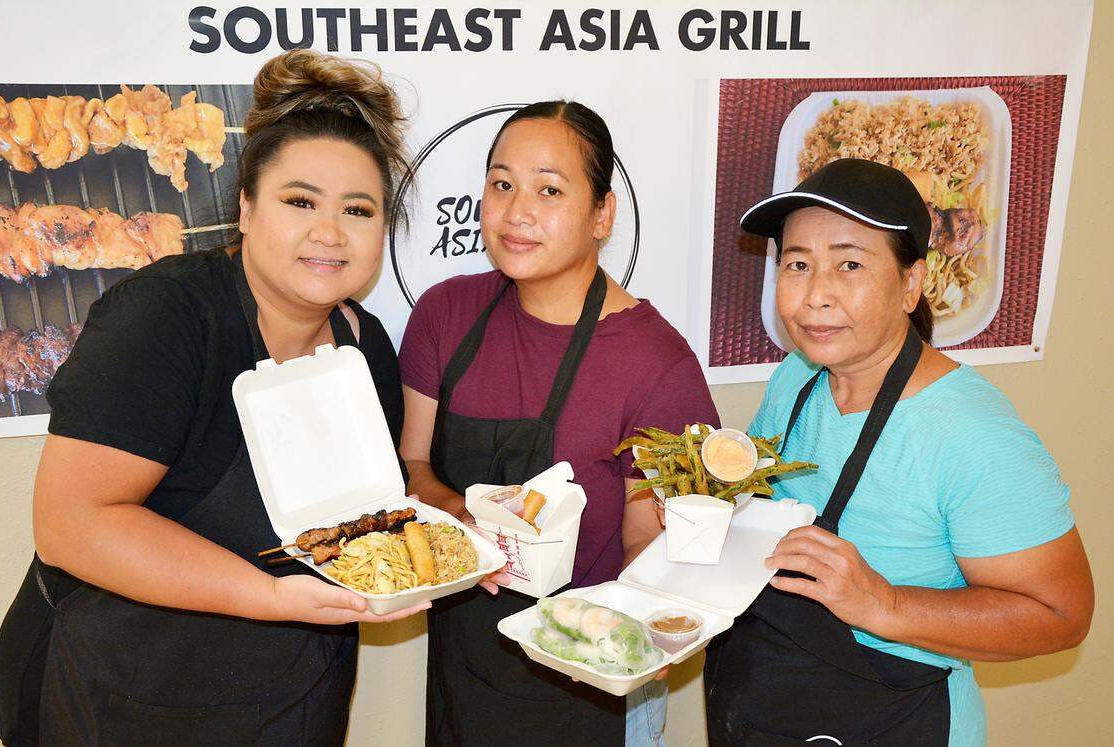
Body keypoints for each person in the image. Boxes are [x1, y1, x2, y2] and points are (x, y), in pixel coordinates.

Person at [0, 49, 428, 745]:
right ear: (247, 207)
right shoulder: (167, 318)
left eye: (358, 208)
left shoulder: (366, 347)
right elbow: (70, 523)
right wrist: (269, 595)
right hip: (124, 692)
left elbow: (362, 517)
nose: (330, 231)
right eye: (300, 201)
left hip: (293, 691)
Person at [703, 158, 1094, 745]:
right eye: (798, 265)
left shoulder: (970, 434)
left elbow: (1062, 616)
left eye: (850, 265)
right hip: (771, 706)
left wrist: (882, 604)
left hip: (899, 719)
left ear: (911, 283)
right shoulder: (798, 376)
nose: (815, 297)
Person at [398, 101, 718, 746]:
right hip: (464, 665)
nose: (517, 211)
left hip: (594, 680)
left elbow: (649, 550)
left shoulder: (657, 365)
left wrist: (599, 630)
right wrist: (463, 521)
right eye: (501, 183)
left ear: (603, 214)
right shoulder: (446, 315)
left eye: (549, 190)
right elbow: (413, 465)